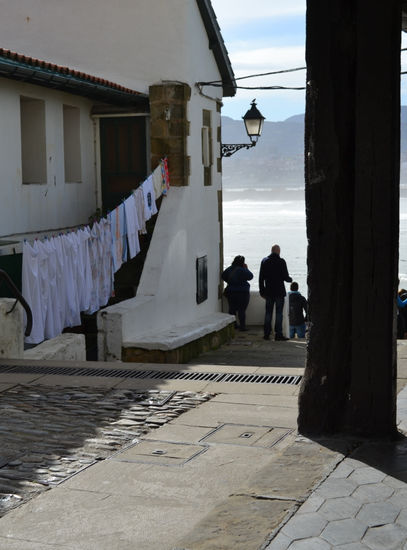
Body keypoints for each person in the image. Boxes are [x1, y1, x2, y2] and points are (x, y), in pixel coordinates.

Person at [259, 244, 292, 341]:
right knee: (279, 314)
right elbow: (285, 277)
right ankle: (278, 334)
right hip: (279, 291)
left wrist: (262, 291)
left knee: (268, 313)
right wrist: (290, 279)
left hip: (268, 291)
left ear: (271, 250)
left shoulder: (264, 261)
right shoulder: (281, 261)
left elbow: (261, 278)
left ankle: (266, 334)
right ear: (278, 251)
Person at [222, 255, 253, 331]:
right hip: (242, 292)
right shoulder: (243, 270)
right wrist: (246, 268)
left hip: (231, 292)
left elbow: (223, 276)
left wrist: (230, 282)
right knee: (241, 310)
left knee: (232, 310)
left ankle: (233, 325)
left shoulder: (229, 269)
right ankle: (242, 327)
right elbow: (250, 276)